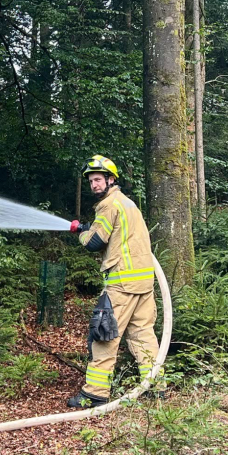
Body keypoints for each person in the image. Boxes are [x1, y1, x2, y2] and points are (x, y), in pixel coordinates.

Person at [67, 155, 164, 408]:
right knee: (143, 334)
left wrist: (80, 232)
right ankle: (155, 386)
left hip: (122, 283)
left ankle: (95, 393)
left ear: (111, 180)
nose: (94, 185)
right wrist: (92, 228)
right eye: (91, 181)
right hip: (144, 282)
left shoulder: (109, 205)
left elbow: (94, 242)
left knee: (104, 335)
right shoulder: (127, 204)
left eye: (98, 180)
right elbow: (119, 235)